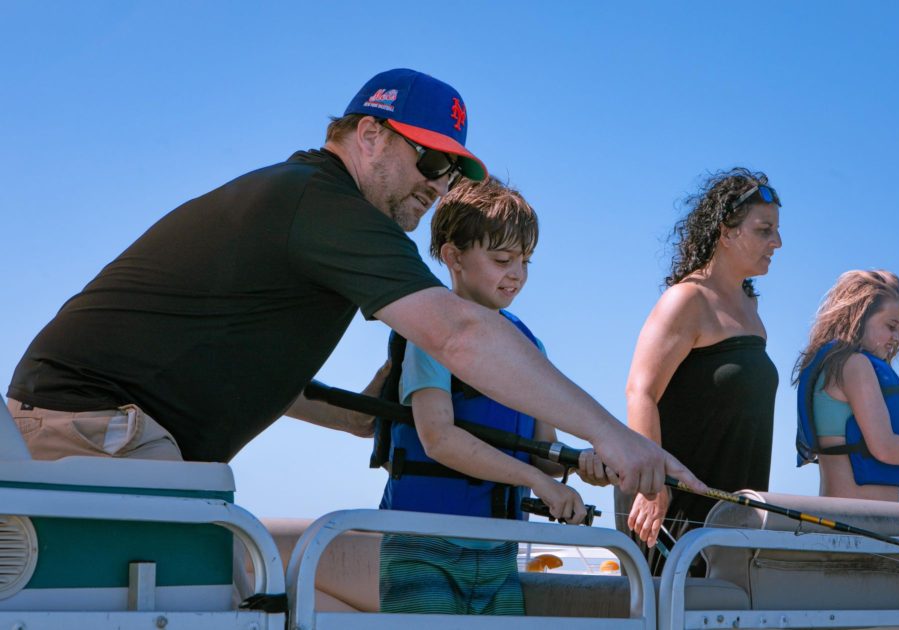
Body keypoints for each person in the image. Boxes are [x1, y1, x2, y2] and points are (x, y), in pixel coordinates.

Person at [5, 67, 698, 498]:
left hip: (105, 432)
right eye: (430, 159)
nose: (439, 185)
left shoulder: (313, 211)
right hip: (93, 430)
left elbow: (312, 401)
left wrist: (570, 457)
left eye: (452, 172)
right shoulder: (321, 201)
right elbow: (458, 333)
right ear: (369, 134)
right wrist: (620, 436)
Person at [376, 177, 608, 615]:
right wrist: (537, 482)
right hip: (424, 548)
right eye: (503, 259)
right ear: (453, 257)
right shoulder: (429, 331)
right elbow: (438, 438)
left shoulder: (528, 346)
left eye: (525, 261)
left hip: (499, 555)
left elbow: (544, 454)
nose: (517, 273)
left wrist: (583, 463)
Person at [617, 168, 782, 575]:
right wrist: (653, 486)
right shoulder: (687, 299)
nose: (777, 243)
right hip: (672, 507)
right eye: (764, 231)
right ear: (727, 232)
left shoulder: (751, 310)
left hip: (730, 514)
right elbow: (640, 392)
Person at [794, 270, 899, 502]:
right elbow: (885, 448)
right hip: (857, 523)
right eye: (891, 326)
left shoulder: (834, 364)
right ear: (858, 316)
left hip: (847, 517)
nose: (898, 338)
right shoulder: (855, 365)